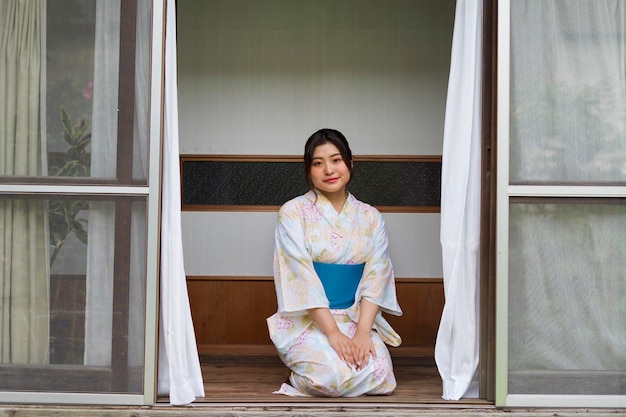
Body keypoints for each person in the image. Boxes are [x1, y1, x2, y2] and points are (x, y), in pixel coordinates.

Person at [266, 128, 402, 397]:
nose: (329, 169)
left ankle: (338, 363)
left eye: (336, 160)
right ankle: (297, 378)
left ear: (350, 163)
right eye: (318, 163)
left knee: (383, 376)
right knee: (330, 377)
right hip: (310, 319)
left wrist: (363, 332)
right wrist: (333, 333)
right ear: (309, 170)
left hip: (355, 316)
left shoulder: (370, 217)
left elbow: (377, 274)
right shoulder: (293, 212)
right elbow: (300, 276)